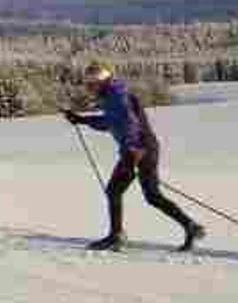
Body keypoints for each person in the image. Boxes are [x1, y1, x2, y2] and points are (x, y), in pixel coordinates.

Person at [63, 62, 205, 252]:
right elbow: (111, 122)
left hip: (137, 149)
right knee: (152, 196)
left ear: (102, 81)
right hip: (146, 148)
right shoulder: (113, 95)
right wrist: (82, 119)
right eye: (87, 85)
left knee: (114, 191)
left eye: (92, 84)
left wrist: (132, 152)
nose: (89, 89)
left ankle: (116, 236)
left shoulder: (116, 98)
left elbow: (129, 124)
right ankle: (191, 227)